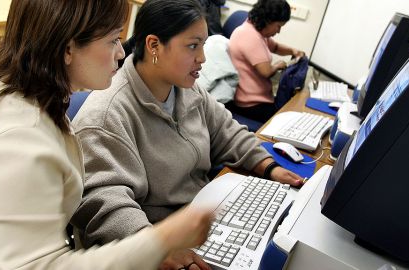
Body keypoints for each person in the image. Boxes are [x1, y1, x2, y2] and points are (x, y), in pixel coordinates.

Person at [0, 0, 213, 269]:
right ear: (68, 48)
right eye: (113, 39)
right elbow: (38, 266)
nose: (120, 52)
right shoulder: (19, 138)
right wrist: (162, 240)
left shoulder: (35, 99)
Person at [70, 0, 304, 269]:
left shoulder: (186, 88)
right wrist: (156, 247)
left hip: (198, 219)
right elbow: (105, 201)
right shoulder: (107, 115)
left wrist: (268, 166)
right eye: (193, 46)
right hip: (162, 239)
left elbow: (226, 131)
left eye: (204, 44)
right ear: (154, 46)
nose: (203, 57)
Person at [228, 0, 306, 123]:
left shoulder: (256, 31)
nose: (279, 31)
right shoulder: (249, 36)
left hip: (259, 99)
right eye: (278, 26)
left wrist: (293, 51)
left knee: (291, 111)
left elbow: (275, 47)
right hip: (251, 104)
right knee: (290, 119)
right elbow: (266, 72)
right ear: (268, 20)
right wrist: (277, 65)